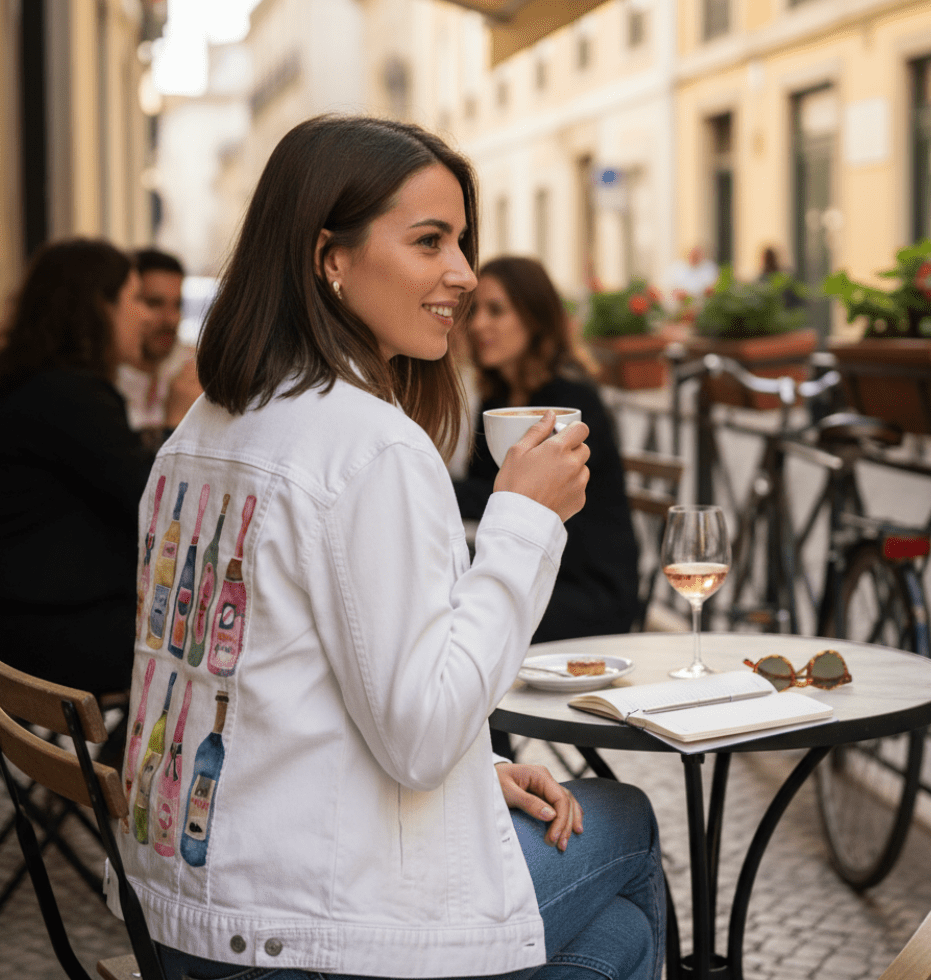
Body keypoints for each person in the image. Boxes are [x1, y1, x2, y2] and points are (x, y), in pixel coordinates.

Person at [109, 115, 665, 980]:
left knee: (618, 943)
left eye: (464, 242)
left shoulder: (199, 430)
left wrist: (474, 783)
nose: (464, 275)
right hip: (310, 932)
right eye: (430, 241)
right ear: (330, 256)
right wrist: (524, 521)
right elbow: (422, 737)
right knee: (625, 823)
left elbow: (288, 688)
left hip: (185, 913)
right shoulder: (371, 446)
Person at [455, 255, 640, 646]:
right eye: (474, 312)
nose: (478, 325)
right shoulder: (499, 398)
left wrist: (430, 487)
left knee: (466, 619)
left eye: (496, 311)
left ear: (534, 317)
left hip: (588, 590)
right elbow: (484, 492)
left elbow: (500, 494)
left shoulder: (570, 399)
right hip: (534, 571)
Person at [0, 238, 157, 696]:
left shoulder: (32, 385)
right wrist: (175, 421)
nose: (146, 316)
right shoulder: (71, 397)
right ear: (98, 307)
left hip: (22, 632)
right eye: (135, 299)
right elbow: (154, 502)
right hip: (61, 639)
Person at [116, 248, 202, 448]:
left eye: (178, 305)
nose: (171, 319)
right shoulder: (104, 376)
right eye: (154, 303)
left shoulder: (196, 370)